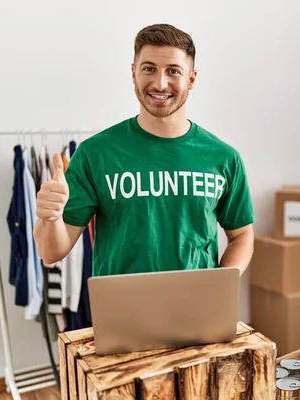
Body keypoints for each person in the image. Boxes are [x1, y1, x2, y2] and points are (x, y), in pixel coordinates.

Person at [33, 24, 255, 278]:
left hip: (198, 312)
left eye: (173, 71)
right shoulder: (95, 154)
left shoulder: (224, 158)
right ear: (133, 73)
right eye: (149, 69)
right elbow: (51, 252)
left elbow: (241, 234)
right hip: (122, 312)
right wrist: (49, 218)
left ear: (191, 79)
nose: (160, 83)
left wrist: (222, 283)